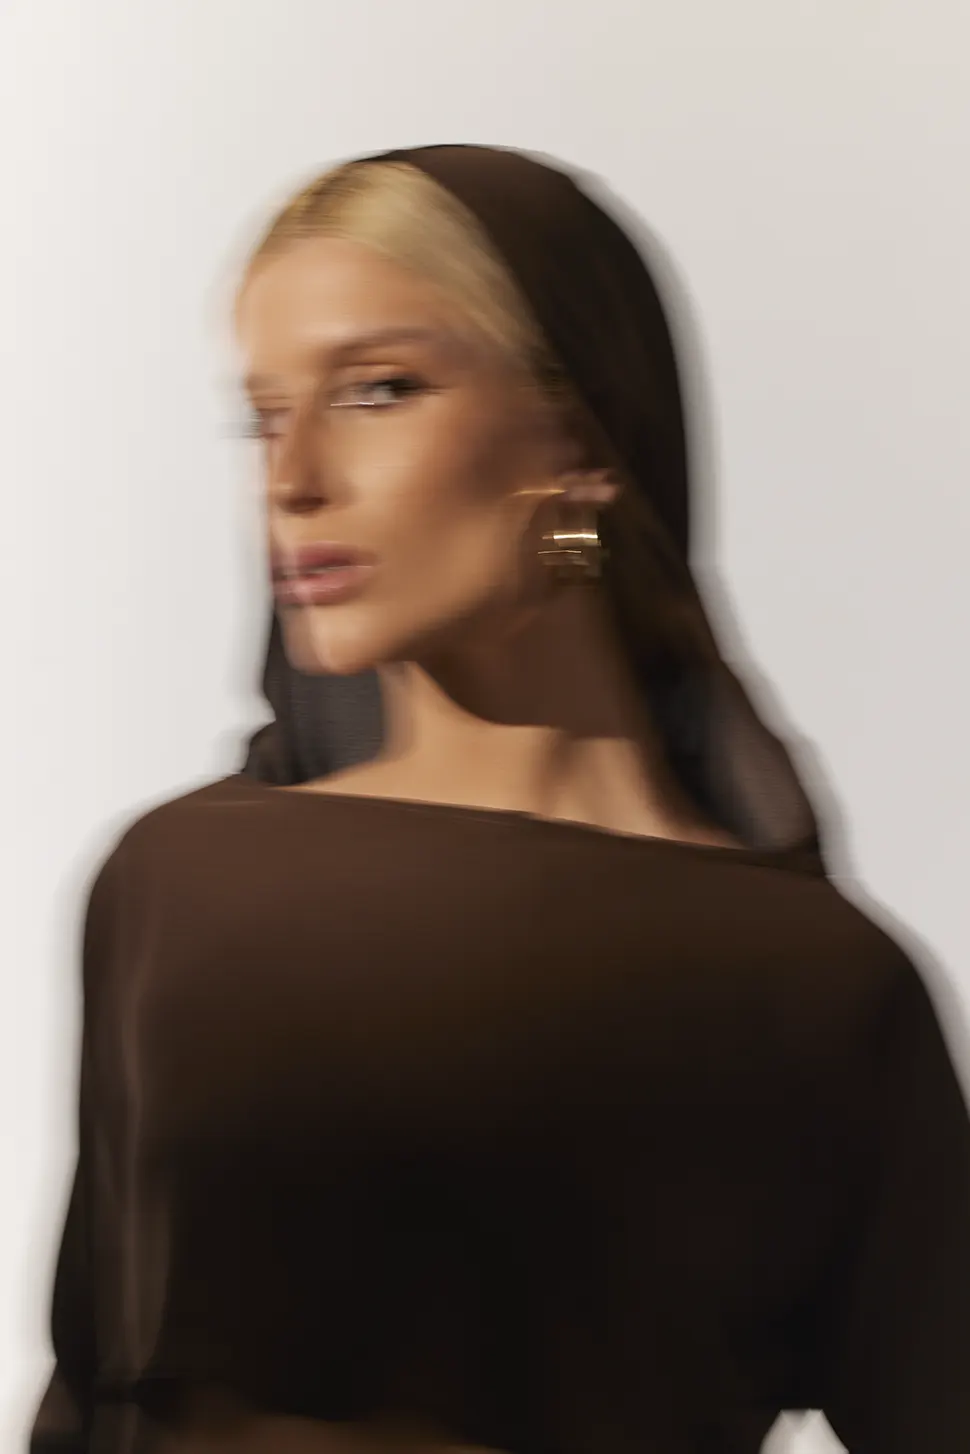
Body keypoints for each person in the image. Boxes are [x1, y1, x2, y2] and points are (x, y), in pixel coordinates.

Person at [29, 144, 970, 1454]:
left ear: (580, 438)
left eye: (378, 389)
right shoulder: (173, 886)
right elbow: (88, 1398)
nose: (291, 479)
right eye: (263, 415)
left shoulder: (824, 991)